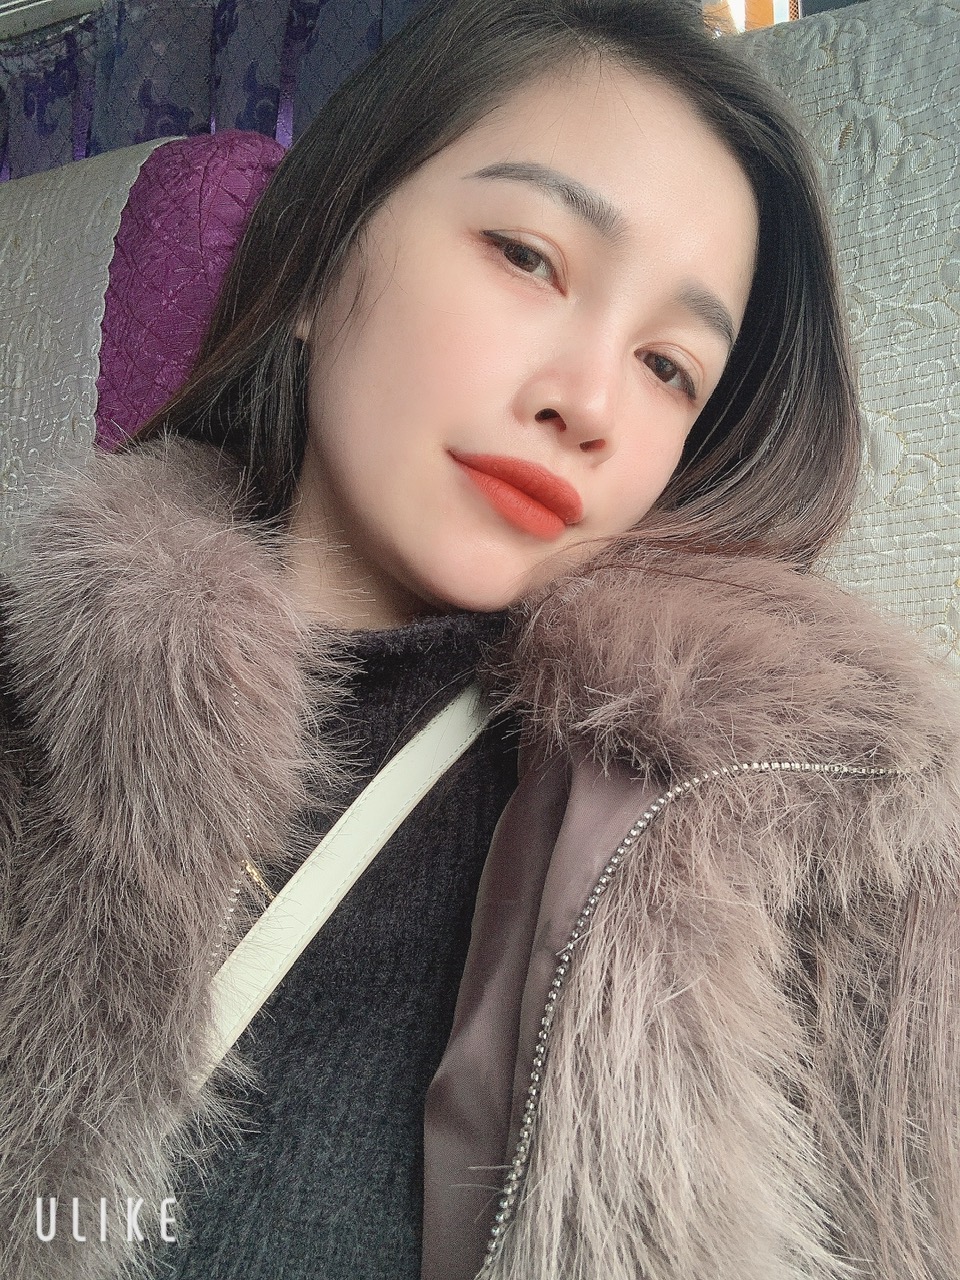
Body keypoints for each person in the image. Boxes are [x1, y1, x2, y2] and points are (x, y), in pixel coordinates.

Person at [1, 1, 959, 1279]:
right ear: (319, 257)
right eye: (527, 255)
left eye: (670, 366)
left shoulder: (812, 825)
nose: (591, 401)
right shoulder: (33, 698)